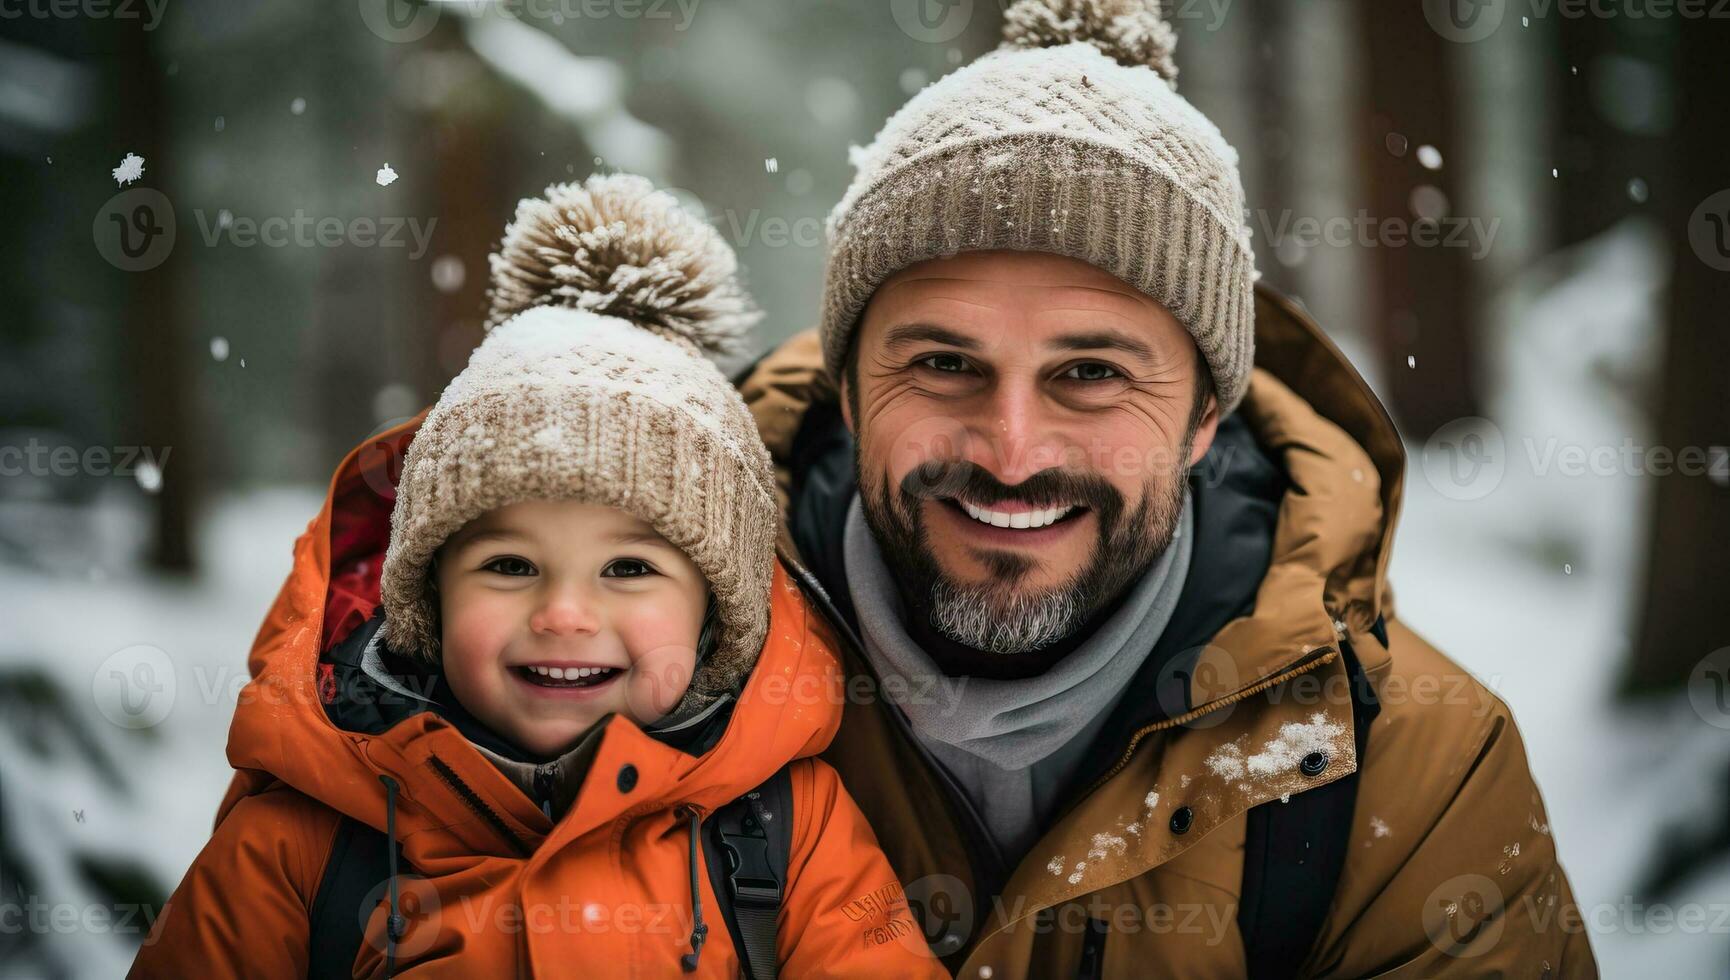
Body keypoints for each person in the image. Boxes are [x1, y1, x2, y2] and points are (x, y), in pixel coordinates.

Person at [733, 0, 1599, 975]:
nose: (1011, 450)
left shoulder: (1411, 767)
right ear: (845, 392)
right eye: (942, 363)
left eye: (1091, 372)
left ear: (1201, 418)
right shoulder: (648, 678)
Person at [129, 174, 942, 978]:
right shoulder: (303, 846)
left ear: (715, 619)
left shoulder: (787, 830)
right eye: (509, 565)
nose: (562, 612)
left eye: (628, 568)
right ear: (428, 603)